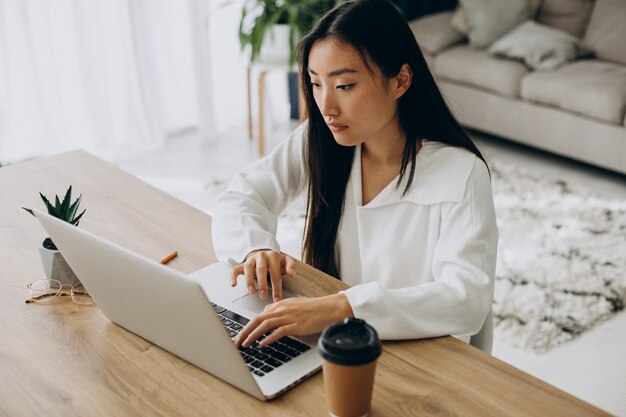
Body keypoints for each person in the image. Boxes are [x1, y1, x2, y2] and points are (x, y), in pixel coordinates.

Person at [212, 0, 498, 350]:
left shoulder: (461, 172)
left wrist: (340, 308)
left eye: (344, 86)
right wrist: (254, 248)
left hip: (419, 356)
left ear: (400, 81)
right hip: (335, 344)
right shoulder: (319, 139)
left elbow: (466, 298)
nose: (326, 107)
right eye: (316, 84)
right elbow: (242, 195)